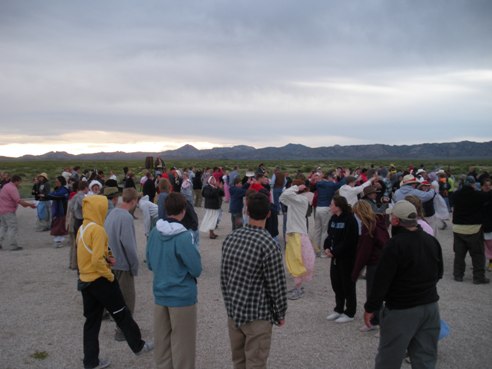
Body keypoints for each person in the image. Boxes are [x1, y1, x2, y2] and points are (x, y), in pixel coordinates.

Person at [364, 200, 443, 369]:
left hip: (402, 308)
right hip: (430, 306)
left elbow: (381, 281)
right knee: (425, 357)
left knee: (389, 357)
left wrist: (371, 307)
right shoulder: (431, 241)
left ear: (395, 221)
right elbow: (439, 273)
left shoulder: (395, 244)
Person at [77, 195, 153, 369]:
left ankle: (91, 361)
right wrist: (109, 275)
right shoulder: (97, 229)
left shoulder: (84, 227)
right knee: (122, 314)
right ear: (99, 209)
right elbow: (97, 260)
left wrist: (108, 258)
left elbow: (88, 254)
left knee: (91, 323)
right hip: (101, 281)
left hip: (85, 281)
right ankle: (139, 346)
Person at [221, 191, 287, 369]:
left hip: (234, 313)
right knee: (256, 364)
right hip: (257, 316)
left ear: (247, 212)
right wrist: (280, 313)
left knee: (239, 362)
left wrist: (230, 306)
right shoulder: (268, 244)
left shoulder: (230, 238)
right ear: (268, 213)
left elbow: (224, 278)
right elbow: (277, 284)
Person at [146, 192, 202, 369]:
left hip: (160, 294)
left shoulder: (155, 233)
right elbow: (196, 268)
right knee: (183, 345)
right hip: (182, 297)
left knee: (162, 344)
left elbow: (149, 262)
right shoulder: (184, 237)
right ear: (183, 210)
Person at [104, 188, 141, 342]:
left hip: (110, 263)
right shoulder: (126, 217)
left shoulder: (112, 213)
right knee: (127, 299)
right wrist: (134, 265)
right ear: (133, 201)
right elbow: (129, 245)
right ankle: (123, 331)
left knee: (115, 297)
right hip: (123, 265)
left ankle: (118, 324)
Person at [351, 200, 390, 331]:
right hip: (384, 261)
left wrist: (355, 272)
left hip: (375, 264)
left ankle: (376, 321)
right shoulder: (379, 222)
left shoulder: (368, 227)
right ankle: (378, 319)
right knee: (379, 292)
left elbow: (364, 252)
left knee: (373, 294)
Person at [324, 195, 359, 323]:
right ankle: (338, 308)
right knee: (336, 284)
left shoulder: (350, 219)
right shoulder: (333, 218)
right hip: (335, 258)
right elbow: (329, 235)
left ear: (338, 206)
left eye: (331, 204)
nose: (330, 206)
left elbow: (349, 241)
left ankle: (350, 312)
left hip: (347, 258)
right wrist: (327, 247)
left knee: (348, 285)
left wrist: (334, 251)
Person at [279, 180, 316, 300]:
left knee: (296, 261)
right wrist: (295, 188)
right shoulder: (296, 200)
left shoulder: (301, 200)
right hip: (294, 233)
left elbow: (284, 195)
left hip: (296, 234)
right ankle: (297, 287)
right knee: (294, 260)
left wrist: (295, 187)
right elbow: (282, 198)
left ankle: (298, 288)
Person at [452, 176, 492, 284]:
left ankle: (458, 275)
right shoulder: (478, 195)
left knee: (459, 254)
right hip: (474, 228)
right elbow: (489, 196)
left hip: (458, 229)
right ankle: (478, 277)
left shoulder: (456, 195)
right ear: (473, 184)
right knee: (478, 255)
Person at [0, 175, 36, 251]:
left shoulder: (6, 186)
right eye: (19, 182)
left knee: (3, 227)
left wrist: (25, 205)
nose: (19, 184)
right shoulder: (12, 188)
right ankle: (13, 245)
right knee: (12, 227)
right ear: (17, 181)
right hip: (9, 211)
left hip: (2, 210)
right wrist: (30, 205)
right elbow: (18, 200)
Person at [47, 176, 70, 247]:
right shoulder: (57, 189)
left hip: (61, 210)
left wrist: (51, 195)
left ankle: (59, 241)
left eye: (57, 181)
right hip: (56, 210)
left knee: (60, 225)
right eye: (55, 182)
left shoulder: (64, 190)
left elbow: (56, 196)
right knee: (56, 224)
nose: (56, 183)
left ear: (61, 182)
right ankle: (57, 240)